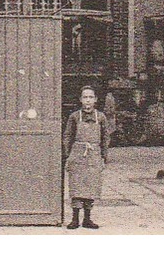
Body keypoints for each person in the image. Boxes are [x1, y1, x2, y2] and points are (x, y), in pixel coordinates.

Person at [63, 85, 109, 230]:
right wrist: (68, 154)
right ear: (80, 100)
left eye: (90, 97)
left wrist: (103, 156)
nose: (87, 101)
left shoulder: (101, 117)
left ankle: (87, 219)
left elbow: (105, 137)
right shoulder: (75, 116)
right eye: (85, 97)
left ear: (95, 99)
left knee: (91, 186)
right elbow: (67, 136)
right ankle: (75, 218)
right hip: (78, 153)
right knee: (76, 186)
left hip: (94, 153)